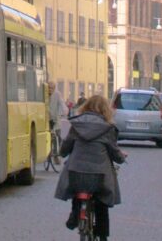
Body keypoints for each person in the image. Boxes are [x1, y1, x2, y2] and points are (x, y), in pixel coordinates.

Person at [55, 95, 127, 241]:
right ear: (106, 110)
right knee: (102, 202)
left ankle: (75, 213)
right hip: (100, 177)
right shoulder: (108, 128)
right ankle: (102, 236)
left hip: (75, 175)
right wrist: (122, 157)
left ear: (86, 107)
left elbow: (64, 150)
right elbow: (115, 154)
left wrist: (63, 152)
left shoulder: (76, 125)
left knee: (77, 188)